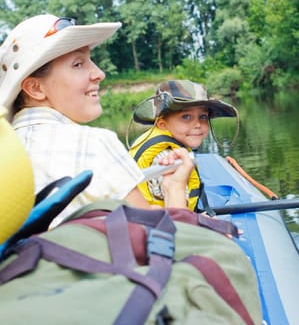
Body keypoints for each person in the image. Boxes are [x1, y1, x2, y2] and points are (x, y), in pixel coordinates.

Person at [0, 14, 194, 227]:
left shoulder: (7, 151)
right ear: (35, 88)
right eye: (78, 64)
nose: (99, 73)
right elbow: (167, 238)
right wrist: (174, 187)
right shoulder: (93, 143)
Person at [129, 80, 238, 211]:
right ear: (162, 124)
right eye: (186, 117)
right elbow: (178, 216)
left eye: (203, 117)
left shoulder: (166, 144)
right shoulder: (167, 160)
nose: (197, 124)